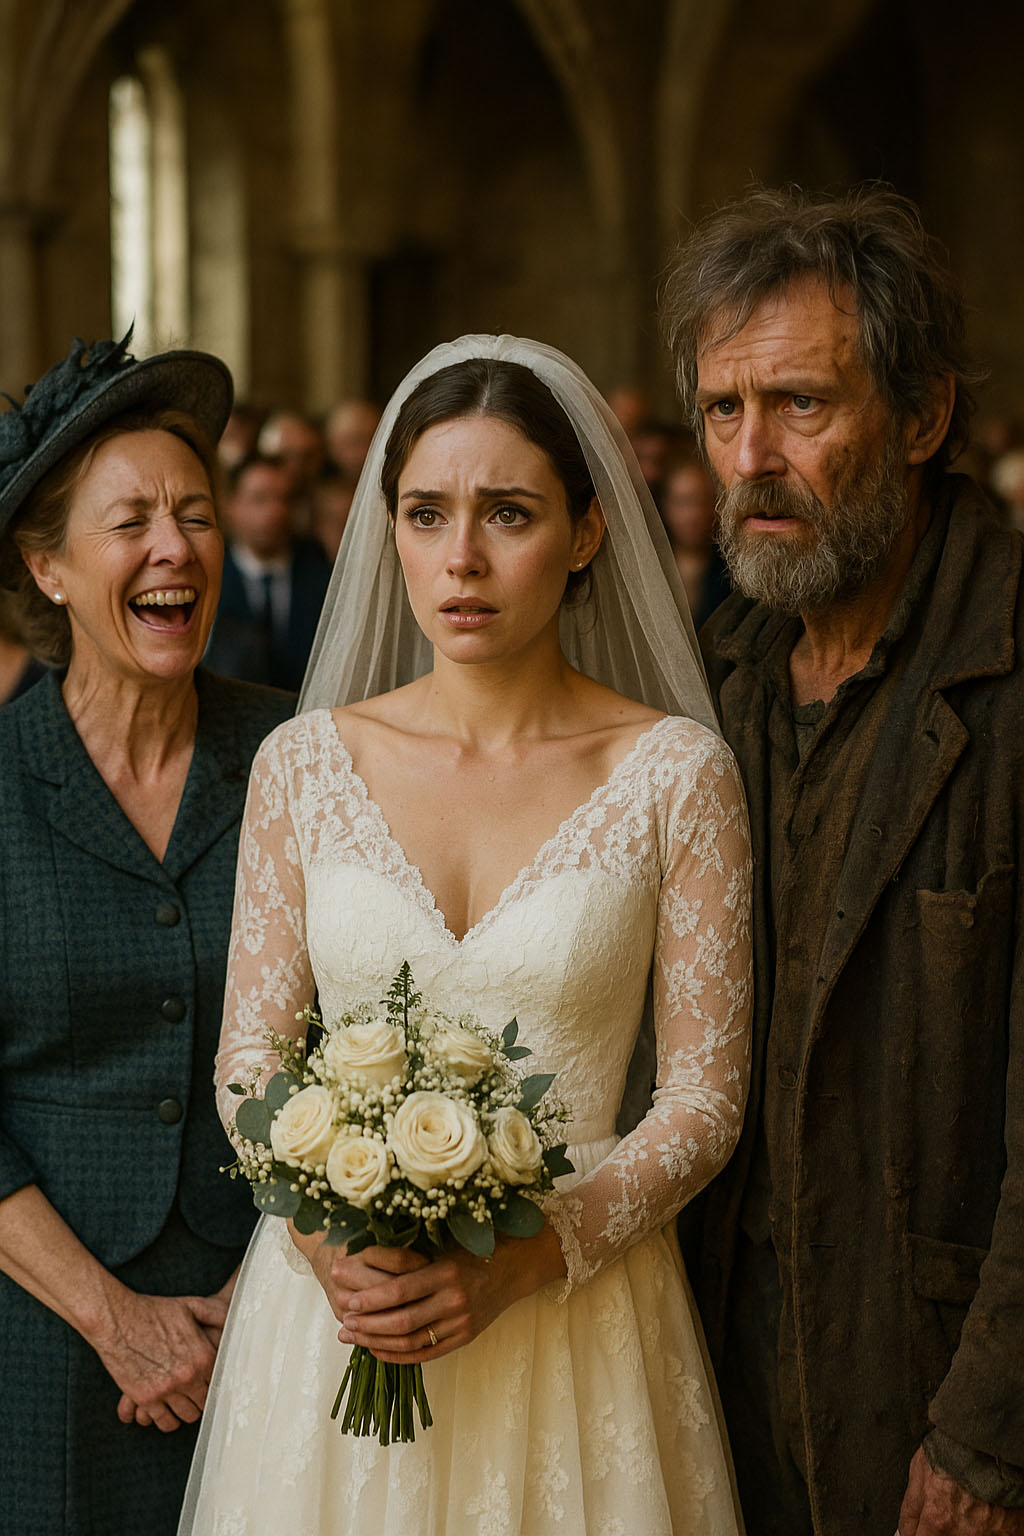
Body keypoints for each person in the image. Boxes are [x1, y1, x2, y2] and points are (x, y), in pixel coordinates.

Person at [178, 334, 753, 1535]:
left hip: (575, 1324)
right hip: (337, 1330)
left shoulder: (674, 777)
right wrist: (324, 1240)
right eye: (427, 514)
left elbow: (703, 1101)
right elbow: (248, 1062)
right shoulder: (303, 764)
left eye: (508, 513)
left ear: (587, 533)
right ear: (386, 527)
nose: (463, 560)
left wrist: (530, 1254)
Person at [660, 185, 1024, 1535]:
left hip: (939, 1401)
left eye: (803, 406)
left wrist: (992, 1436)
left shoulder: (1008, 672)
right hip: (735, 1395)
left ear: (924, 418)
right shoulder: (719, 681)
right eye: (722, 413)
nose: (752, 457)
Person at [0, 333, 293, 1536]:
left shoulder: (299, 753)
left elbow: (366, 1029)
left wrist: (265, 1292)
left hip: (275, 1328)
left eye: (195, 513)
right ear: (48, 568)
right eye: (131, 522)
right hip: (47, 1341)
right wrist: (114, 1319)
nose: (175, 547)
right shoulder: (3, 780)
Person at [204, 452, 331, 690]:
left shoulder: (322, 577)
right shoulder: (208, 576)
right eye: (260, 499)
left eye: (284, 499)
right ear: (230, 506)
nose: (276, 512)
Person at [661, 453, 732, 629]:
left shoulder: (733, 574)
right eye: (683, 502)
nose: (693, 515)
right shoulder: (652, 566)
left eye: (701, 502)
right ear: (666, 506)